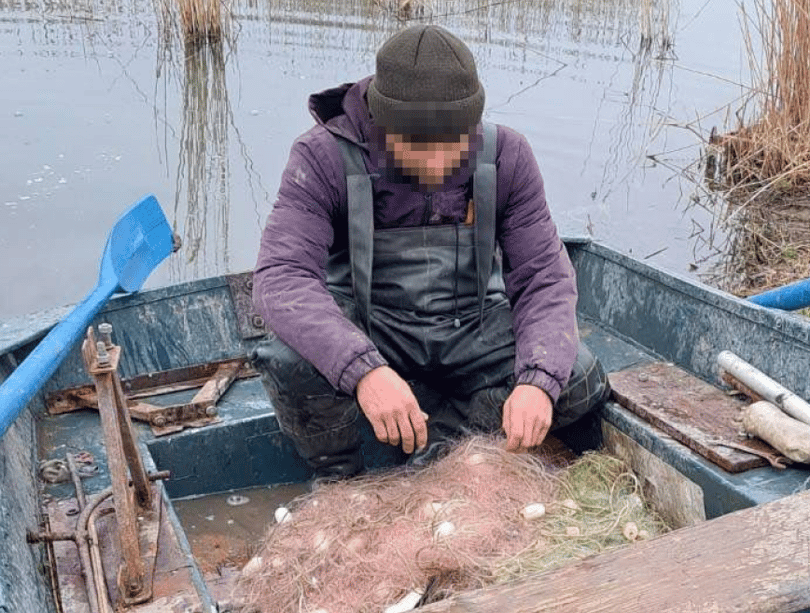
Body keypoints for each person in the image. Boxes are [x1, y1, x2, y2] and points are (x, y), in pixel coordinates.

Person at [251, 23, 609, 479]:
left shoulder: (508, 156)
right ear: (382, 124)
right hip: (372, 327)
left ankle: (439, 446)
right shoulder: (320, 157)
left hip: (471, 329)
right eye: (418, 147)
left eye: (453, 145)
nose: (437, 164)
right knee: (288, 361)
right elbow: (282, 277)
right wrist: (363, 371)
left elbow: (544, 276)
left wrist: (538, 382)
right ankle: (343, 478)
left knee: (574, 377)